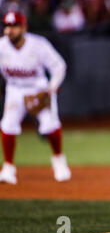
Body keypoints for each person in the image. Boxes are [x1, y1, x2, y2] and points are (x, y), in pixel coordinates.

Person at [0, 11, 71, 184]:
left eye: (14, 26)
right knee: (8, 125)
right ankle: (8, 168)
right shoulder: (1, 46)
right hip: (15, 89)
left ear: (24, 27)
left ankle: (59, 161)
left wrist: (51, 88)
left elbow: (59, 66)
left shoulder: (38, 45)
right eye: (7, 26)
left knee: (50, 125)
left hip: (38, 88)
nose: (10, 30)